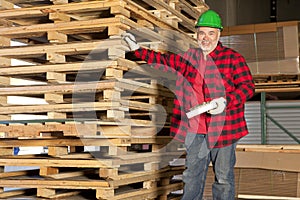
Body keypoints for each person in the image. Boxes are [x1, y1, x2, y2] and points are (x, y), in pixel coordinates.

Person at [123, 9, 255, 200]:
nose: (206, 38)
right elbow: (164, 61)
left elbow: (248, 87)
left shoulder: (233, 58)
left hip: (224, 129)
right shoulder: (189, 57)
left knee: (223, 178)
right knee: (192, 176)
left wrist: (226, 101)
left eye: (211, 33)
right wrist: (137, 49)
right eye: (202, 33)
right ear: (197, 34)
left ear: (219, 34)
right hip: (195, 130)